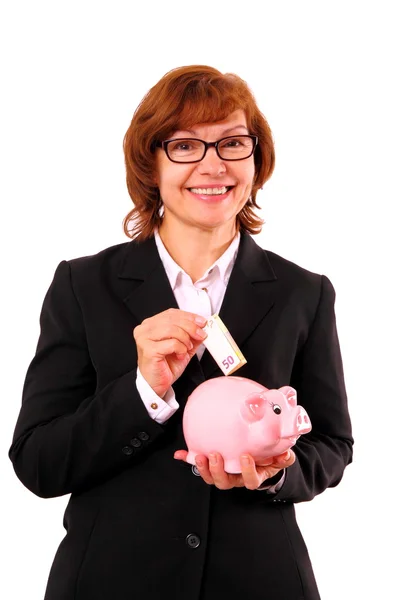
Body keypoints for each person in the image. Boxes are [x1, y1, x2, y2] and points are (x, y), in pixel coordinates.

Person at [9, 65, 353, 600]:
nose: (213, 165)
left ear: (256, 161)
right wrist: (143, 391)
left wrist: (273, 473)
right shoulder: (83, 284)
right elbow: (38, 462)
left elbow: (332, 444)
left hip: (260, 582)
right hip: (112, 581)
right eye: (185, 146)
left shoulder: (303, 292)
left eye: (233, 143)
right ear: (151, 163)